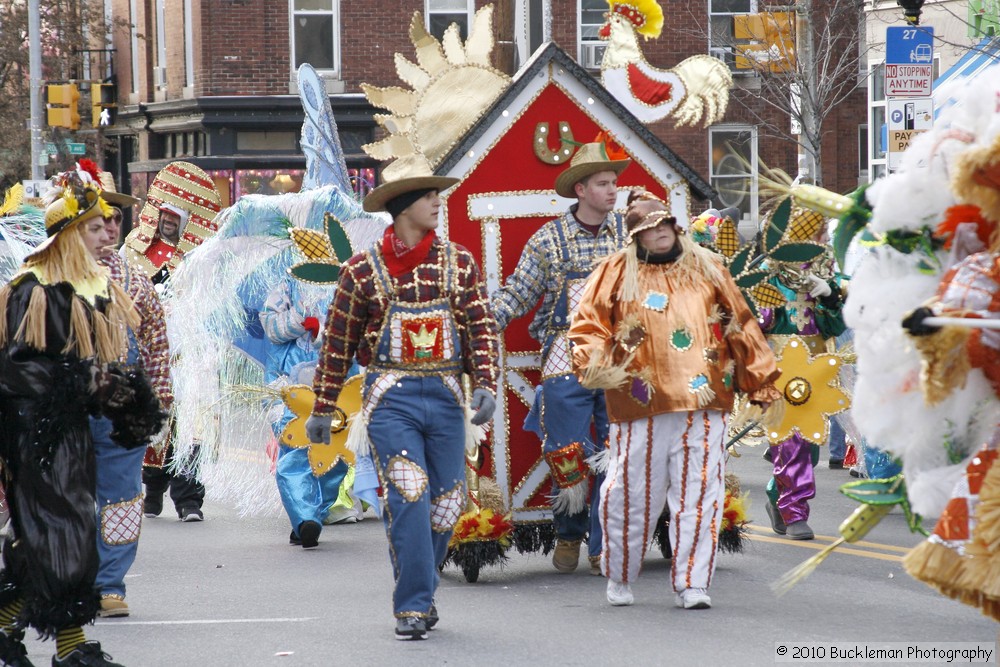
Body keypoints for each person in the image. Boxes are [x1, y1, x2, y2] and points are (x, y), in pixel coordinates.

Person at [305, 166, 499, 640]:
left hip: (449, 398)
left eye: (438, 195)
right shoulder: (360, 271)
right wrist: (323, 407)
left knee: (449, 505)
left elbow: (481, 327)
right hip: (392, 400)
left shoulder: (461, 263)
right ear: (403, 207)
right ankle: (412, 605)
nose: (438, 203)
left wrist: (487, 382)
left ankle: (421, 584)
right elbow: (337, 343)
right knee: (409, 492)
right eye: (429, 197)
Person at [568, 195, 780, 610]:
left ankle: (693, 583)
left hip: (704, 403)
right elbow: (587, 324)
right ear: (635, 236)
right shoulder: (614, 271)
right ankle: (620, 573)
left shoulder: (707, 268)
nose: (657, 231)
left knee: (700, 494)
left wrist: (759, 380)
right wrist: (599, 365)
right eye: (646, 228)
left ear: (675, 225)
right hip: (638, 404)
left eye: (663, 223)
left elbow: (740, 321)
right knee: (630, 495)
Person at [0, 167, 165, 666]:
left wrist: (126, 396)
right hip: (37, 434)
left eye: (109, 223)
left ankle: (15, 633)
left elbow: (96, 365)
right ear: (70, 234)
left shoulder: (91, 287)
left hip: (64, 429)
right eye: (94, 226)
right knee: (63, 534)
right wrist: (92, 386)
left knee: (50, 538)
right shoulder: (35, 289)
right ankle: (71, 648)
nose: (107, 233)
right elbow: (20, 371)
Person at [492, 139, 630, 575]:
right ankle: (569, 534)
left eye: (614, 183)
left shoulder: (629, 234)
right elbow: (517, 294)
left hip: (618, 356)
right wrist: (476, 327)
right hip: (563, 356)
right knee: (566, 451)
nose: (613, 191)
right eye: (604, 184)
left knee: (616, 450)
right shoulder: (547, 240)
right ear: (581, 190)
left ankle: (602, 541)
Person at [89, 180, 172, 618]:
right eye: (102, 218)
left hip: (122, 404)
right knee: (66, 495)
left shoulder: (136, 278)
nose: (111, 226)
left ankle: (110, 585)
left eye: (118, 217)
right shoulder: (45, 276)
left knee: (122, 497)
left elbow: (156, 342)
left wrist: (159, 404)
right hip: (63, 405)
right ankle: (68, 576)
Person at [760, 222, 846, 540]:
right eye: (818, 233)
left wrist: (830, 297)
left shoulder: (824, 270)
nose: (822, 239)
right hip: (779, 364)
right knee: (791, 441)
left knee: (807, 446)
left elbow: (833, 325)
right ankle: (795, 512)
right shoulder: (770, 270)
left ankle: (776, 495)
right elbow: (756, 319)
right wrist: (770, 306)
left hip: (815, 365)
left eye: (822, 234)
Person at [260, 276, 358, 549]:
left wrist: (322, 332)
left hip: (337, 374)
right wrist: (301, 316)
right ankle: (304, 519)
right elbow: (270, 327)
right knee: (297, 446)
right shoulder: (285, 284)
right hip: (289, 378)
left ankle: (310, 515)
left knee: (333, 454)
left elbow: (357, 330)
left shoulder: (347, 280)